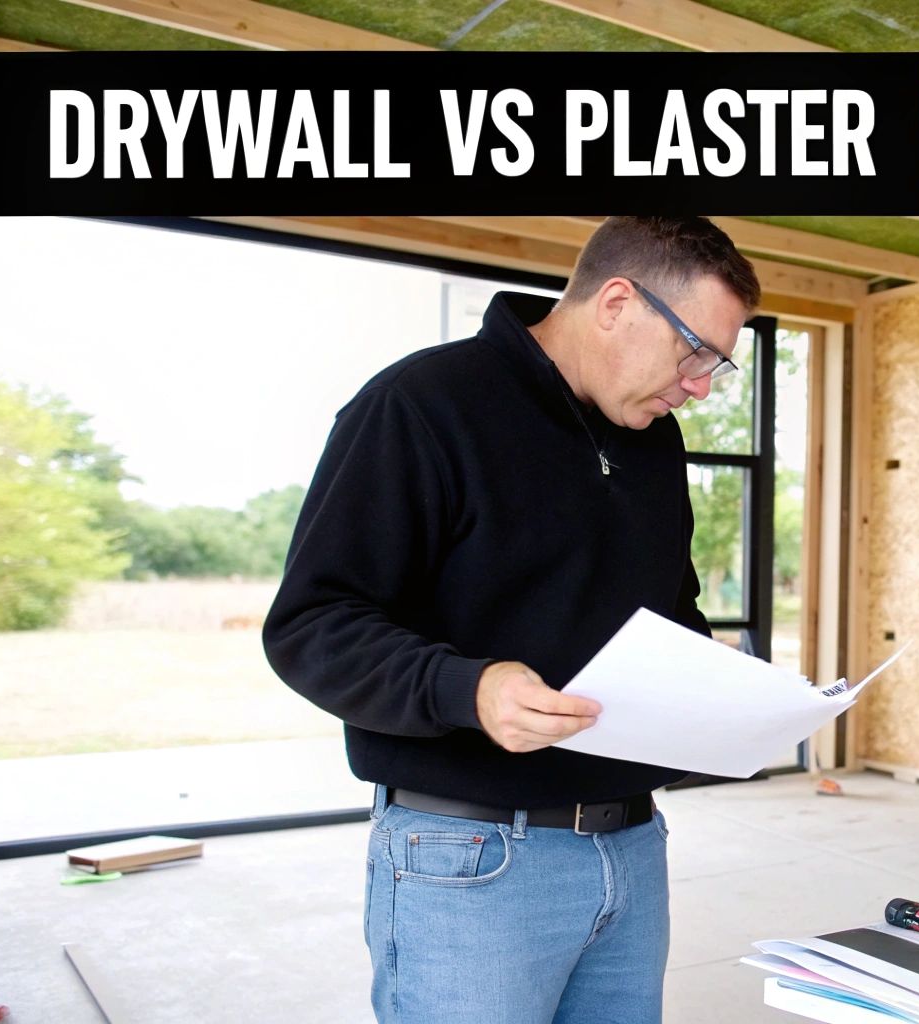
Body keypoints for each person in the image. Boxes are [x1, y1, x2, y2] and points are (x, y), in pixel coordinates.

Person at [263, 216, 759, 1023]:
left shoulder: (654, 443)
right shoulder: (422, 406)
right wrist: (469, 689)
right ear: (617, 303)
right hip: (470, 859)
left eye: (717, 364)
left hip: (634, 849)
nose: (700, 385)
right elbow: (312, 624)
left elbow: (671, 616)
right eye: (695, 351)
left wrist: (731, 699)